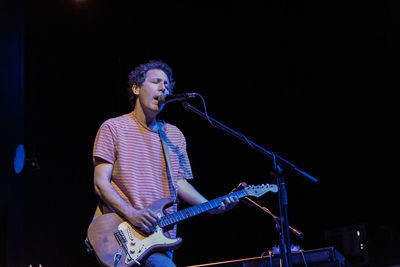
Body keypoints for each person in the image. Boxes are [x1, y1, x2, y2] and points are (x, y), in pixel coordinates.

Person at [92, 60, 239, 266]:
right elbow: (100, 183)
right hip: (122, 233)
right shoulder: (113, 128)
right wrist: (132, 214)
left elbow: (178, 183)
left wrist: (211, 207)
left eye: (167, 84)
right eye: (156, 82)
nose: (164, 87)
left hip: (159, 237)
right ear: (136, 88)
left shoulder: (174, 135)